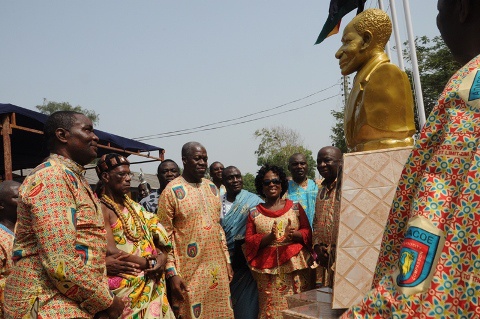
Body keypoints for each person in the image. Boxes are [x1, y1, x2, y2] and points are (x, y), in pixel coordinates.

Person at [341, 1, 480, 317]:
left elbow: (432, 236)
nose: (438, 20)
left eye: (439, 9)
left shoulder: (469, 93)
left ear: (463, 9)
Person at [4, 111, 124, 318]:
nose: (95, 137)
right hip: (48, 304)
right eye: (87, 130)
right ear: (62, 135)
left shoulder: (72, 177)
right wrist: (107, 302)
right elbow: (60, 263)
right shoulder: (52, 177)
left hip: (68, 301)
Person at [158, 142, 234, 319]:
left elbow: (218, 228)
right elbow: (163, 238)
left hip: (217, 268)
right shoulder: (171, 192)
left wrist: (227, 260)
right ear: (184, 160)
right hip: (188, 270)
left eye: (205, 159)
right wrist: (172, 274)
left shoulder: (212, 188)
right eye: (197, 158)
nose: (202, 163)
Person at [96, 153, 174, 319]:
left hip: (151, 277)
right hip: (128, 283)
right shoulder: (101, 208)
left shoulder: (135, 207)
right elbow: (111, 251)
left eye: (128, 174)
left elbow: (158, 236)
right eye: (121, 174)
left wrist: (161, 257)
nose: (128, 179)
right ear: (105, 177)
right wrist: (148, 262)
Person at [335, 8, 415, 152]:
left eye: (347, 42)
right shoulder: (362, 80)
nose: (338, 53)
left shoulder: (386, 75)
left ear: (366, 40)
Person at [245, 164, 313, 319]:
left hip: (295, 265)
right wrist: (269, 237)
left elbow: (308, 232)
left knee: (298, 306)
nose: (272, 185)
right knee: (271, 308)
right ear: (261, 187)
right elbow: (249, 241)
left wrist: (295, 235)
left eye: (275, 181)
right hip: (267, 270)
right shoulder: (254, 213)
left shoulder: (295, 207)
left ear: (282, 184)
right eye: (267, 182)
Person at [220, 166, 263, 319]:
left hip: (247, 263)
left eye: (238, 176)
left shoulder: (254, 200)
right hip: (224, 263)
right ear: (224, 181)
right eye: (231, 177)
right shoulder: (217, 203)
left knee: (247, 306)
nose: (236, 180)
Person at [312, 146, 343, 288]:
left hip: (343, 259)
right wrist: (317, 247)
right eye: (319, 162)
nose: (321, 165)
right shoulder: (321, 191)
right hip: (324, 260)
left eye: (327, 160)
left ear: (341, 162)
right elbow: (316, 222)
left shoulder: (349, 188)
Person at [0, 180, 20, 317]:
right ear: (1, 205)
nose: (23, 199)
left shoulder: (25, 231)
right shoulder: (1, 238)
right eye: (16, 197)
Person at [286, 153, 318, 226]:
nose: (299, 167)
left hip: (317, 233)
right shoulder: (284, 189)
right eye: (295, 164)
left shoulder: (317, 186)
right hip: (295, 234)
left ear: (307, 166)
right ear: (289, 168)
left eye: (302, 163)